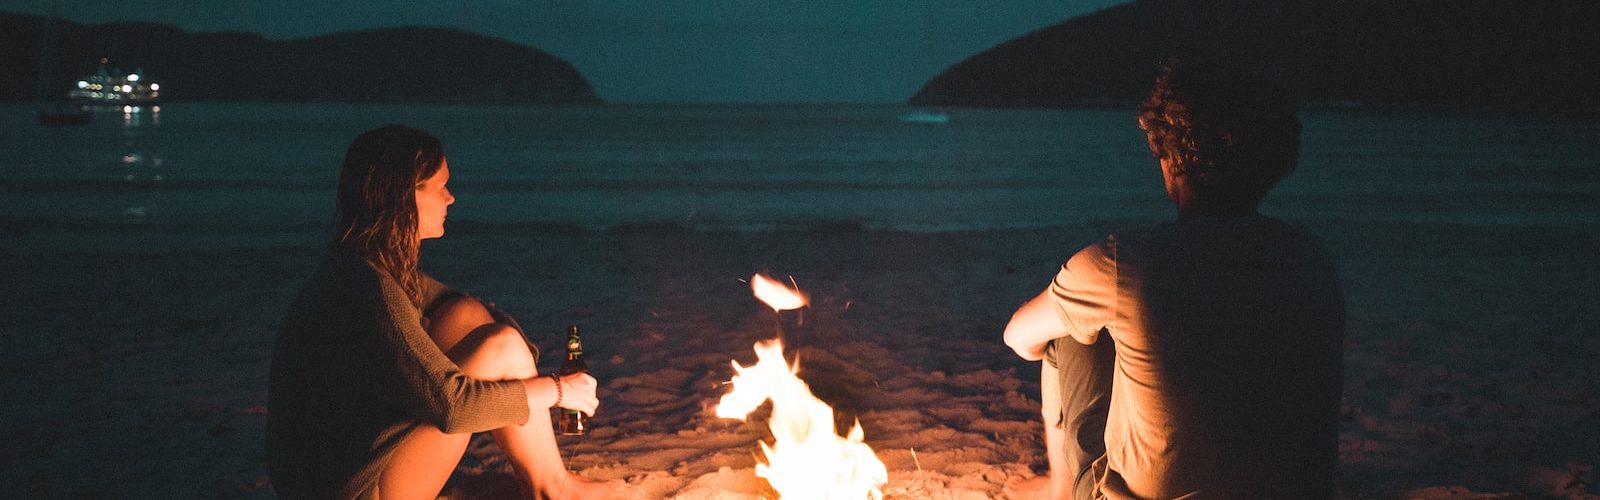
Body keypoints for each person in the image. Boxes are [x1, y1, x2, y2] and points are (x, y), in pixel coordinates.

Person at [1003, 61, 1345, 499]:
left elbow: (1019, 338)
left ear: (1168, 157)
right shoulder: (1312, 257)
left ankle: (1060, 489)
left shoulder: (1123, 263)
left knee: (1069, 329)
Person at [266, 125, 612, 499]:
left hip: (339, 469)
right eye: (439, 186)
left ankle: (552, 481)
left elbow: (476, 317)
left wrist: (519, 363)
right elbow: (455, 409)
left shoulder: (362, 267)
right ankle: (553, 488)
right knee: (501, 346)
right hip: (356, 492)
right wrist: (559, 390)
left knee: (465, 316)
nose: (451, 198)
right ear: (404, 196)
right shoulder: (368, 290)